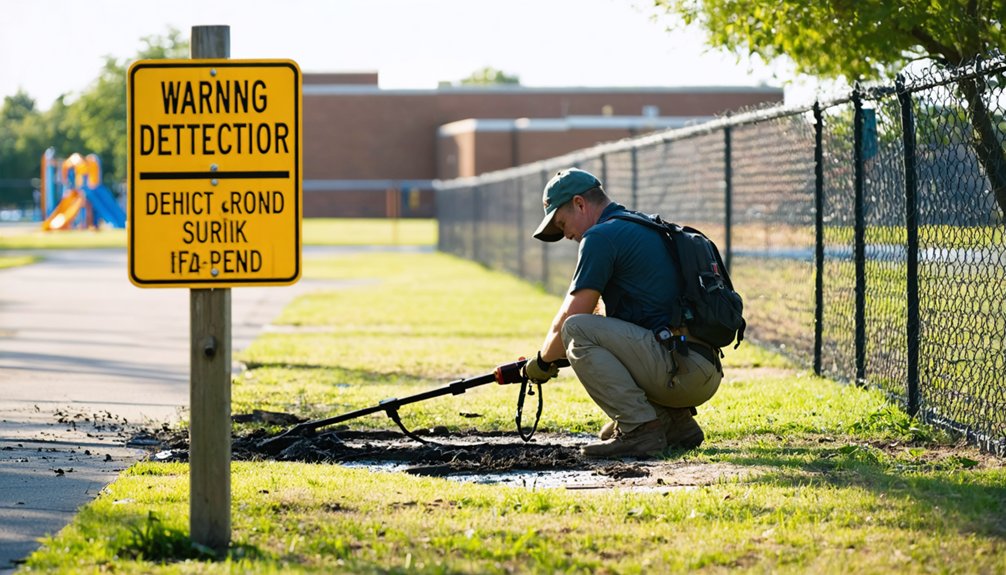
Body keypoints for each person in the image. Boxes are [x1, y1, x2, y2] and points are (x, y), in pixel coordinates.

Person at [522, 168, 724, 458]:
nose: (565, 234)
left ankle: (640, 431)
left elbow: (572, 318)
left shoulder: (600, 237)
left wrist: (541, 362)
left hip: (681, 370)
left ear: (580, 203)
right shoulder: (637, 224)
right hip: (701, 365)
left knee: (577, 330)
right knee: (593, 329)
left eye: (562, 222)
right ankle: (675, 424)